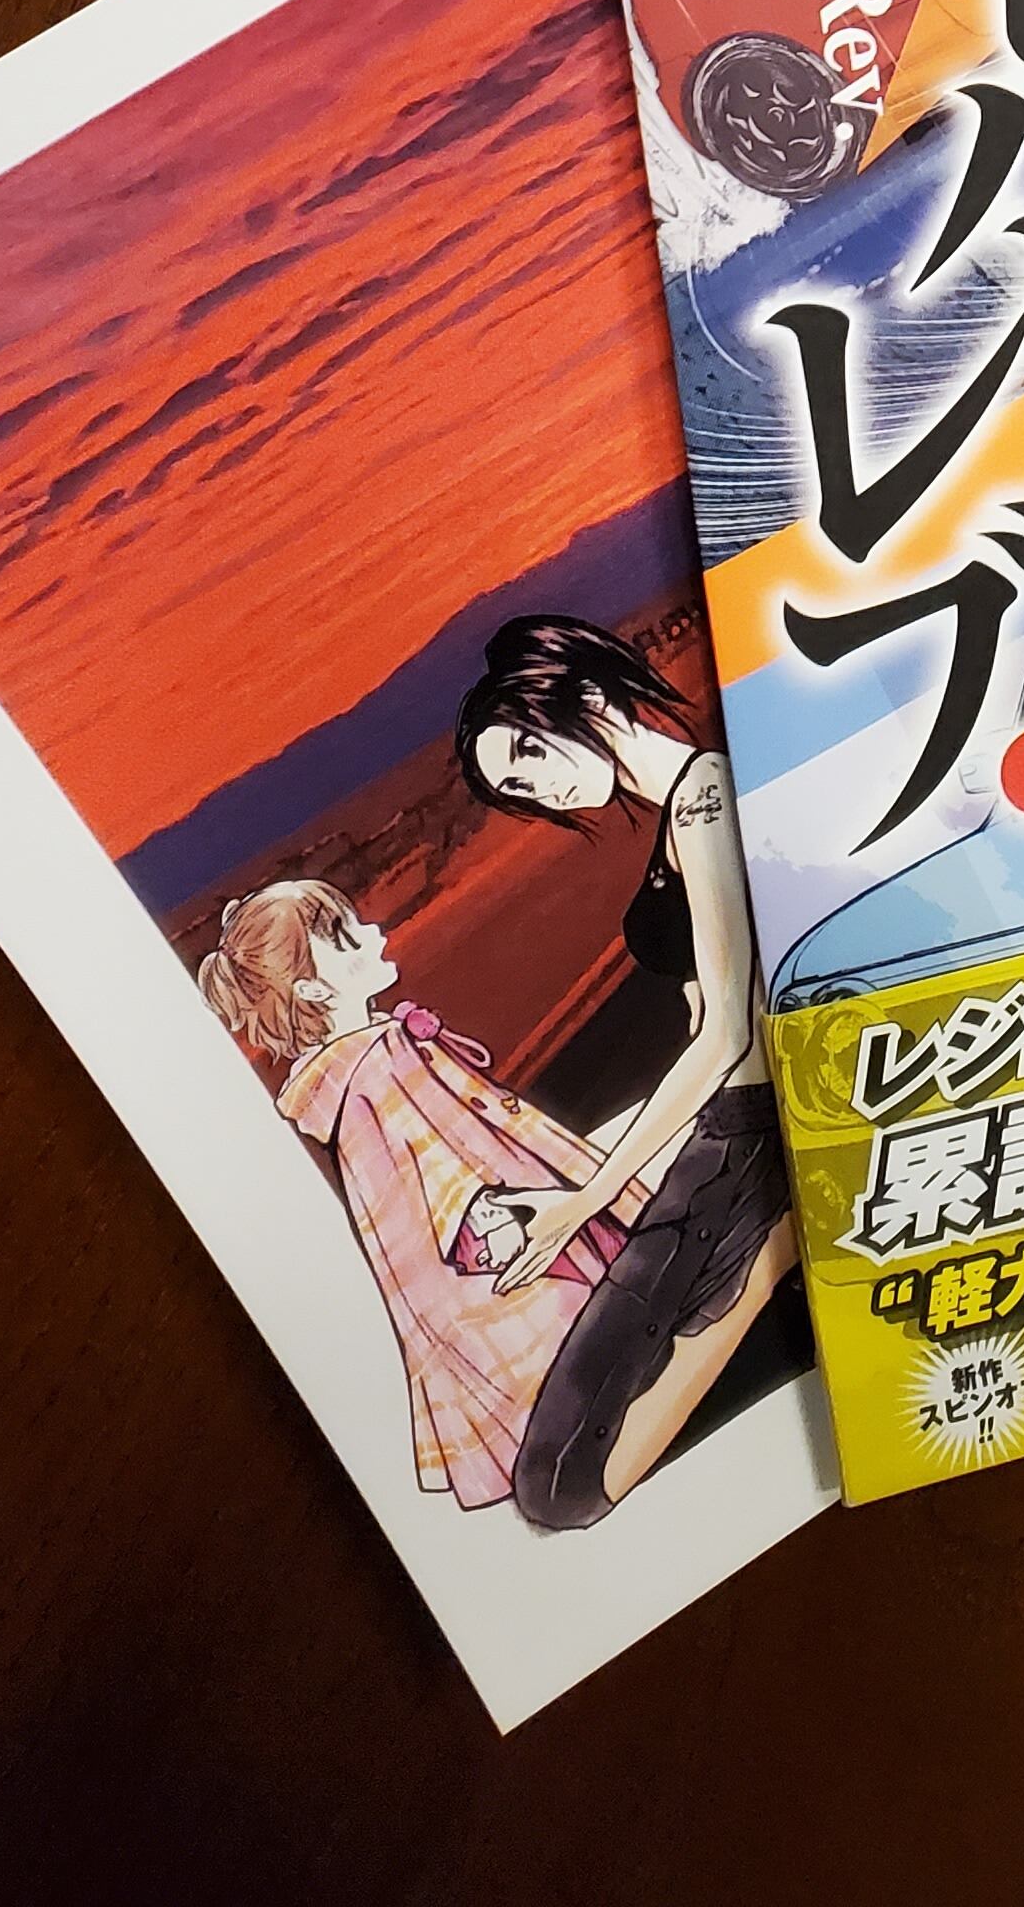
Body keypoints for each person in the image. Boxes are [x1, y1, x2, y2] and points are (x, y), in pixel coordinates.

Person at [453, 617, 797, 1531]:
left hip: (746, 1141)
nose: (537, 787)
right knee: (557, 1476)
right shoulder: (680, 816)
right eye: (517, 788)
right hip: (720, 1133)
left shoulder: (706, 799)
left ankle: (784, 1242)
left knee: (563, 1482)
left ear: (585, 695)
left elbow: (724, 1034)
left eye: (529, 752)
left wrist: (584, 1200)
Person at [198, 881, 632, 1520]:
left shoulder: (368, 1060)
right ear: (314, 992)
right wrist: (492, 1213)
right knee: (592, 1367)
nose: (373, 934)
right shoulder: (368, 1073)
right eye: (346, 940)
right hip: (505, 1255)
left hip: (507, 1222)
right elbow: (420, 1172)